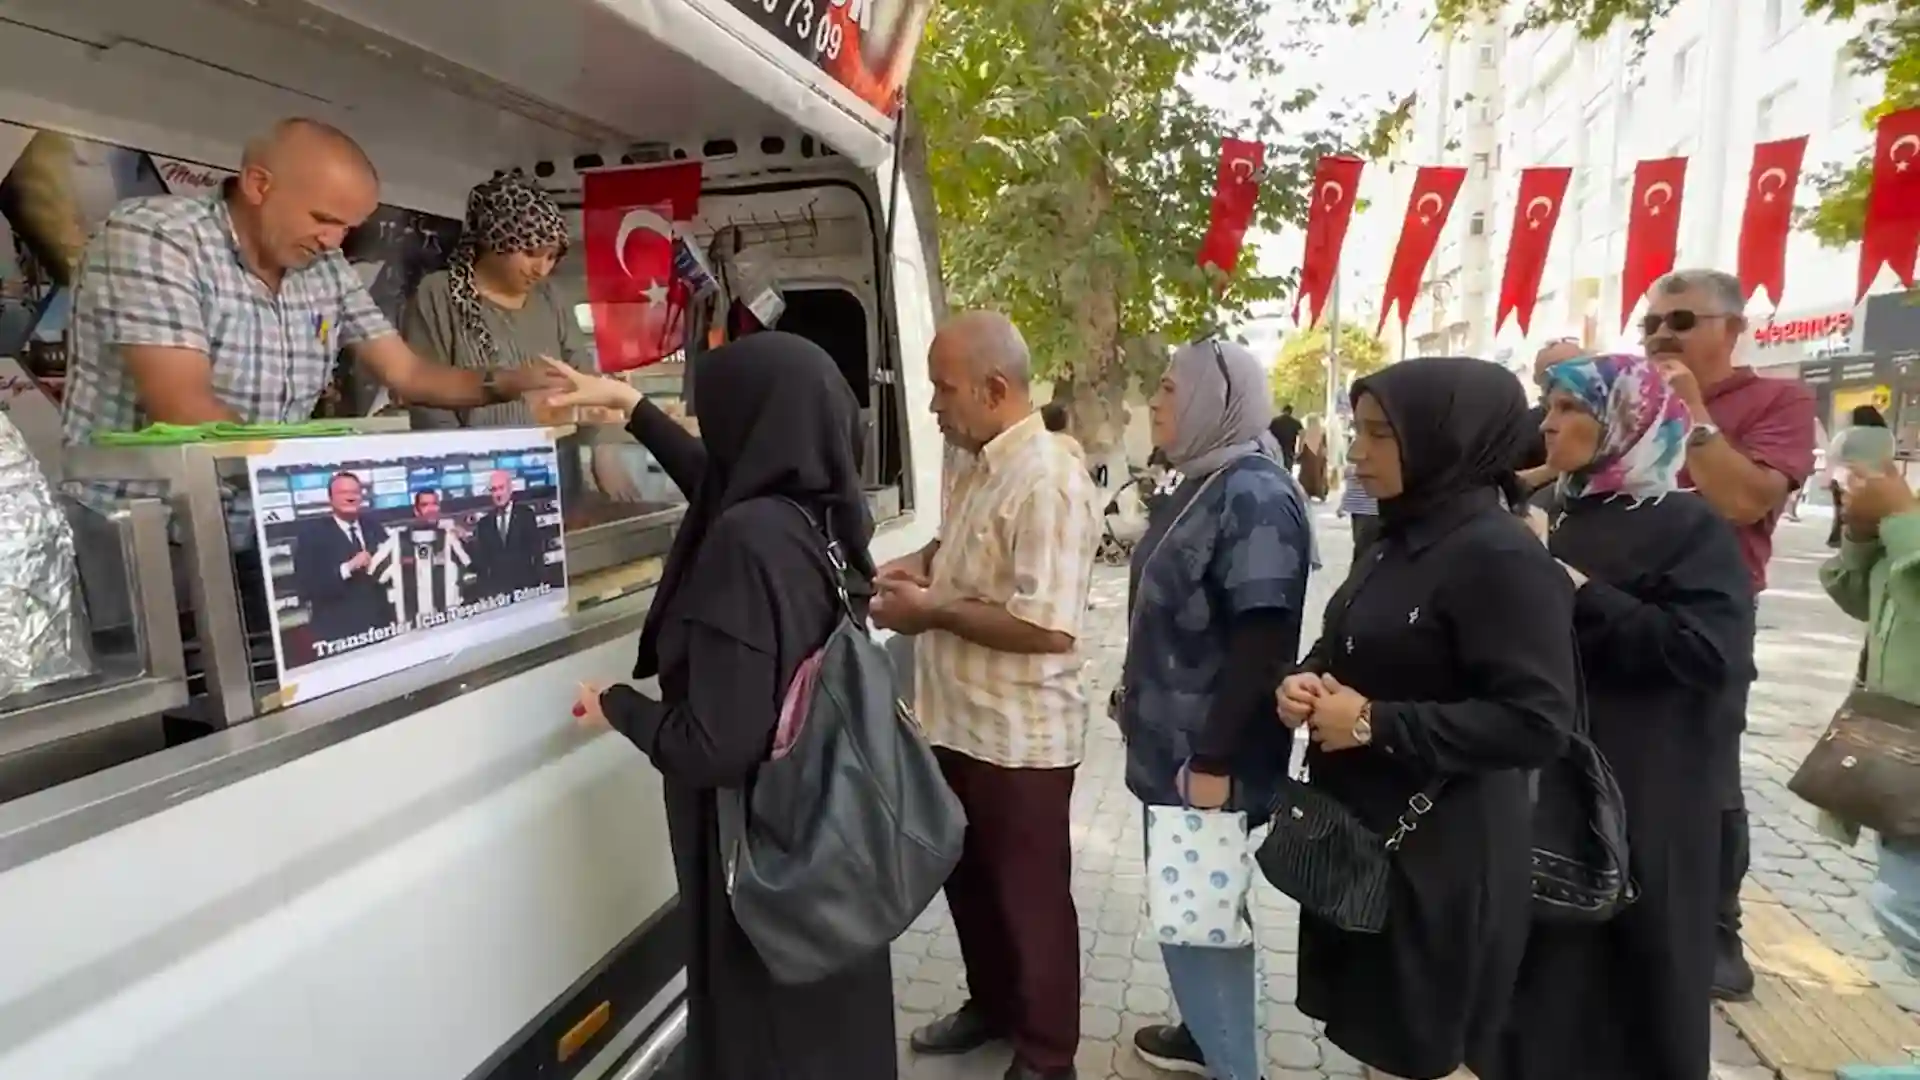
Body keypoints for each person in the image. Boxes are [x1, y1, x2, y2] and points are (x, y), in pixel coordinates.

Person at [550, 335, 897, 1080]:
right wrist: (632, 408)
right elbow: (717, 479)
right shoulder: (825, 514)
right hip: (824, 833)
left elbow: (713, 745)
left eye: (718, 419)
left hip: (756, 846)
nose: (713, 436)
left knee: (758, 1030)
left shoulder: (747, 544)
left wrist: (618, 706)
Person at [1275, 356, 1579, 1080]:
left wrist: (1376, 721)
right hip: (1362, 845)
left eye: (1381, 434)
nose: (1356, 452)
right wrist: (1301, 684)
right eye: (1359, 431)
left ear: (1448, 439)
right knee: (1385, 1046)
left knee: (1428, 1055)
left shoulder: (1501, 558)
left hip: (1441, 862)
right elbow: (1340, 643)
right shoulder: (1395, 539)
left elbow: (1538, 723)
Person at [61, 118, 565, 547]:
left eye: (348, 227)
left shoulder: (324, 266)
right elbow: (185, 408)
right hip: (138, 533)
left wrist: (512, 381)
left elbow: (407, 372)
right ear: (259, 185)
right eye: (324, 219)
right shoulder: (156, 237)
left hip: (256, 526)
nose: (333, 241)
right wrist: (328, 488)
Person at [1482, 353, 1756, 1080]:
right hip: (1549, 784)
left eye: (1571, 407)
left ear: (1625, 421)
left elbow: (1707, 655)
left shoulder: (1687, 525)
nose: (1549, 422)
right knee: (1542, 993)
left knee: (1632, 991)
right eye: (1550, 405)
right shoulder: (1557, 511)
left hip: (1647, 797)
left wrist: (1576, 589)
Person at [876, 311, 1100, 1080]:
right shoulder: (978, 462)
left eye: (944, 389)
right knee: (970, 885)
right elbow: (958, 547)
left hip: (1019, 741)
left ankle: (1046, 1057)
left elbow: (1049, 628)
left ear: (994, 387)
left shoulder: (1049, 478)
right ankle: (993, 1006)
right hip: (956, 722)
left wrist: (929, 610)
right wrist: (916, 562)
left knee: (1029, 903)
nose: (934, 406)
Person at [1122, 340, 1314, 1080]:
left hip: (1204, 762)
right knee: (1195, 915)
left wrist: (1211, 761)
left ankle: (1235, 1065)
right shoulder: (1202, 479)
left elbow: (1262, 642)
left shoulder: (1254, 493)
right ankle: (1205, 1038)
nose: (1155, 402)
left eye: (1169, 389)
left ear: (1213, 399)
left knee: (1201, 929)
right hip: (1171, 752)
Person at [1644, 268, 1816, 1001]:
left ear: (1731, 327)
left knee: (1707, 769)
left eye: (1680, 321)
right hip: (1613, 596)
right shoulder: (1631, 392)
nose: (1661, 336)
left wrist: (1691, 409)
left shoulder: (1779, 399)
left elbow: (1744, 500)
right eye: (1651, 323)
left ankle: (1716, 928)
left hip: (1710, 613)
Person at [403, 171, 642, 500]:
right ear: (496, 241)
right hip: (477, 472)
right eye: (531, 254)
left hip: (557, 465)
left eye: (551, 256)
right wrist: (460, 478)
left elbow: (581, 375)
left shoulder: (551, 298)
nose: (541, 269)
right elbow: (427, 397)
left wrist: (603, 449)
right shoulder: (438, 296)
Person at [290, 472, 395, 646]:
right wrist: (347, 568)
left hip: (379, 628)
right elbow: (306, 587)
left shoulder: (374, 526)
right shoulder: (311, 536)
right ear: (330, 499)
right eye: (343, 493)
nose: (350, 498)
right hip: (339, 634)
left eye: (355, 493)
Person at [468, 469, 543, 598]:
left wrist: (537, 586)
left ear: (510, 489)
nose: (498, 494)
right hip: (498, 594)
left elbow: (536, 552)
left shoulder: (525, 515)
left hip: (526, 590)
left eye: (501, 488)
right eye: (494, 490)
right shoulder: (484, 524)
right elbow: (483, 563)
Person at [1825, 405, 1891, 547]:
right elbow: (1889, 456)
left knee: (1842, 512)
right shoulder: (1888, 435)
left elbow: (1834, 454)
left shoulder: (1847, 434)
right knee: (1873, 512)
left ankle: (1839, 539)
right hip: (1876, 479)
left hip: (1845, 478)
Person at [1336, 446, 1381, 562]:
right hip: (1357, 509)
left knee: (1363, 545)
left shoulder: (1373, 466)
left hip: (1370, 510)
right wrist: (1342, 505)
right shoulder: (1353, 467)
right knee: (1360, 541)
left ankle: (1361, 570)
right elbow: (1349, 489)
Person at [1298, 414, 1330, 501]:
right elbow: (1325, 444)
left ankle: (1307, 492)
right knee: (1319, 474)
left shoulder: (1304, 432)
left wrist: (1299, 454)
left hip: (1308, 455)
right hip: (1319, 454)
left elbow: (1301, 445)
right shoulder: (1322, 431)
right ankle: (1320, 492)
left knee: (1307, 474)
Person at [1269, 403, 1303, 471]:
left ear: (1282, 411)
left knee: (1276, 472)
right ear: (1291, 412)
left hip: (1276, 450)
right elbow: (1302, 434)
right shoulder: (1295, 422)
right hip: (1289, 452)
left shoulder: (1274, 421)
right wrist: (1299, 450)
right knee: (1287, 473)